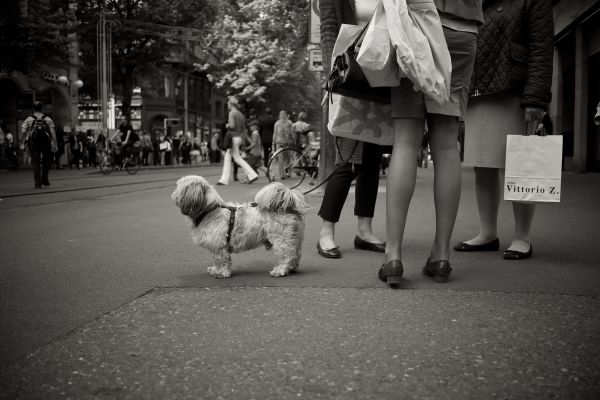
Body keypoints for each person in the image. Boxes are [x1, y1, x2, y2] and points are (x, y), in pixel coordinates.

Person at [357, 0, 484, 286]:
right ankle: (441, 256)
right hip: (463, 30)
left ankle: (393, 256)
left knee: (405, 139)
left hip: (415, 21)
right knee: (447, 142)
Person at [454, 0, 553, 261]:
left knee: (519, 165)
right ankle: (487, 233)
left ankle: (522, 236)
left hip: (514, 90)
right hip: (478, 91)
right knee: (482, 165)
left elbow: (542, 49)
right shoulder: (476, 2)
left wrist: (536, 98)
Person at [217, 97, 259, 185]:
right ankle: (225, 179)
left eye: (228, 104)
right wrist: (244, 141)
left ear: (231, 104)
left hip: (233, 138)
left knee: (235, 158)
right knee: (231, 157)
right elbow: (244, 129)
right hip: (239, 138)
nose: (228, 105)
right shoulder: (240, 114)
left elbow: (232, 126)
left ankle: (225, 180)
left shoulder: (232, 113)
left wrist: (227, 125)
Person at [21, 101, 58, 188]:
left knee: (36, 162)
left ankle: (38, 182)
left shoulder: (29, 119)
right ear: (42, 108)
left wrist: (23, 141)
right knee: (46, 161)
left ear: (33, 108)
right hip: (46, 143)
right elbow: (52, 132)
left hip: (34, 143)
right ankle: (45, 179)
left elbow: (23, 131)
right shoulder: (47, 119)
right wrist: (55, 144)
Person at [272, 110, 295, 180]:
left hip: (288, 143)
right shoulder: (277, 123)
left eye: (284, 114)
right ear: (279, 115)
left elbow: (292, 133)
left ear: (286, 115)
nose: (283, 115)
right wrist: (273, 144)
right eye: (281, 114)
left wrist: (293, 140)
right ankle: (282, 174)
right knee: (280, 159)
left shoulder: (289, 123)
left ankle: (288, 172)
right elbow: (275, 134)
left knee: (288, 159)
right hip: (279, 143)